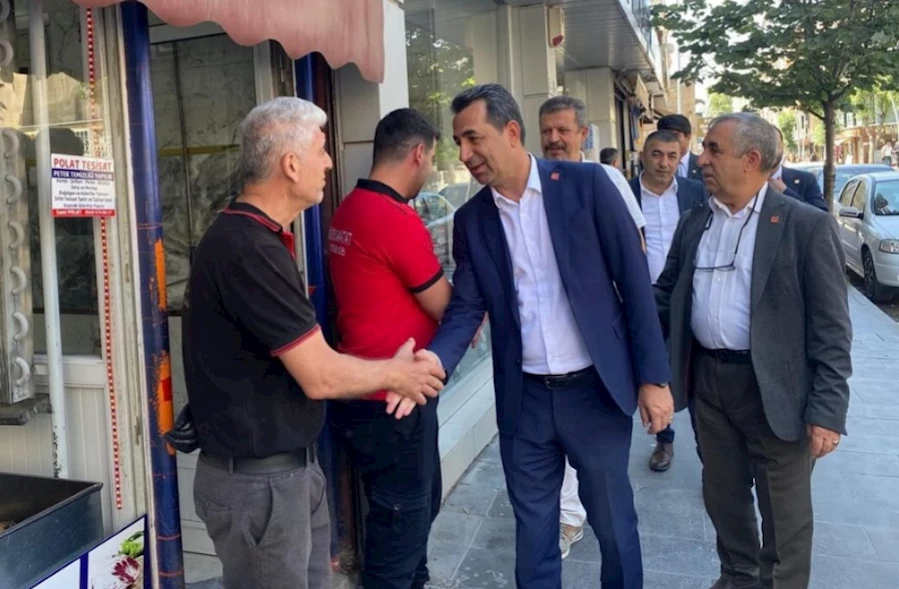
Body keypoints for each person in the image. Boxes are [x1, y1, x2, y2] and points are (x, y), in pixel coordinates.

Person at [182, 97, 446, 589]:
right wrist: (398, 373)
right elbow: (319, 374)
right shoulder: (247, 249)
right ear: (290, 164)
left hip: (283, 476)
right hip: (261, 488)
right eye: (321, 150)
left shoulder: (257, 238)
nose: (329, 162)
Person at [422, 83, 674, 589]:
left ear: (512, 132)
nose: (464, 154)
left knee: (614, 527)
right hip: (525, 402)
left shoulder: (587, 186)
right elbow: (467, 305)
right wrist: (435, 362)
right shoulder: (472, 219)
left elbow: (634, 283)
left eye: (473, 139)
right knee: (534, 534)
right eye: (458, 143)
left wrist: (653, 378)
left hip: (595, 394)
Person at [654, 113, 852, 589]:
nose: (700, 159)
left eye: (713, 149)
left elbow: (832, 327)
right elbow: (664, 296)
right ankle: (737, 577)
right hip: (709, 384)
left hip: (777, 391)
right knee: (723, 497)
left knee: (785, 516)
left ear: (751, 159)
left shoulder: (805, 225)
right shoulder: (696, 220)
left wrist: (827, 409)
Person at [327, 108, 450, 589]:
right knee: (402, 527)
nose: (430, 169)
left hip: (362, 395)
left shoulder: (348, 208)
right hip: (394, 401)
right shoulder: (394, 217)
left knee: (402, 516)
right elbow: (444, 304)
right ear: (418, 153)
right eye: (432, 159)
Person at [537, 94, 646, 559]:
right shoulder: (534, 184)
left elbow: (633, 251)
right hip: (548, 349)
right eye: (547, 131)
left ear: (583, 134)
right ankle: (567, 519)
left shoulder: (605, 179)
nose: (554, 139)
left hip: (598, 345)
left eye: (563, 130)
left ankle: (587, 519)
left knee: (599, 468)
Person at [627, 129, 708, 471]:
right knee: (656, 369)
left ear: (680, 159)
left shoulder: (695, 192)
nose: (664, 163)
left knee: (698, 372)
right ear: (643, 156)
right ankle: (664, 439)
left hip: (687, 295)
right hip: (643, 297)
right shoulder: (625, 193)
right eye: (657, 154)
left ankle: (710, 453)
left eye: (672, 156)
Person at [769, 128, 827, 211]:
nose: (769, 150)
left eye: (774, 144)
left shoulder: (806, 180)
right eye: (764, 144)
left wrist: (785, 192)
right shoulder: (749, 183)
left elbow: (821, 215)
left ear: (782, 147)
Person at [657, 114, 702, 181]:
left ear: (688, 137)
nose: (670, 140)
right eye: (664, 136)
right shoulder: (653, 165)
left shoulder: (702, 166)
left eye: (675, 136)